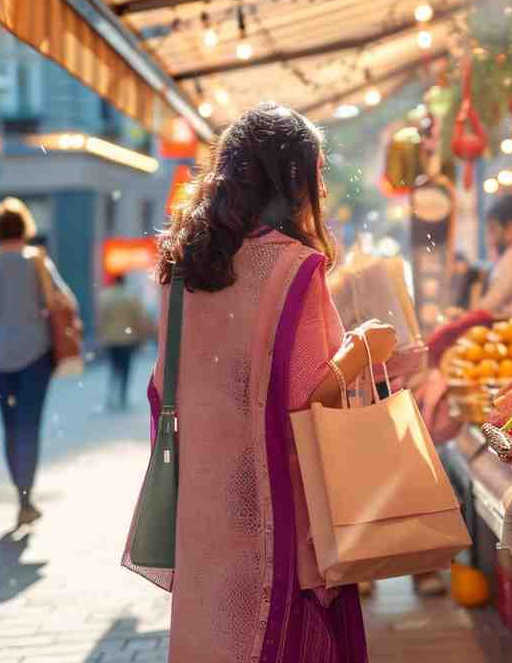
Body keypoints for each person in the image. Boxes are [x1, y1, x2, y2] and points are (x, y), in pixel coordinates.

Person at [122, 103, 396, 663]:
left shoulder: (182, 267)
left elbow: (164, 385)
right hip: (278, 506)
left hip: (202, 504)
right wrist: (366, 349)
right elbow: (308, 394)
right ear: (292, 178)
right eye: (315, 171)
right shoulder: (294, 267)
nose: (319, 184)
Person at [0, 197, 71, 526]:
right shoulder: (37, 262)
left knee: (11, 426)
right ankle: (25, 498)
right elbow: (65, 301)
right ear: (25, 228)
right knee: (30, 426)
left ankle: (21, 490)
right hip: (36, 358)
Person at [97, 274, 152, 411]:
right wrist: (142, 335)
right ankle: (122, 395)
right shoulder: (130, 297)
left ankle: (111, 394)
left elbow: (101, 319)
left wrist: (101, 336)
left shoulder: (105, 297)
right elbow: (138, 318)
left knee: (114, 366)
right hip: (127, 339)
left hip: (111, 339)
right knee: (126, 368)